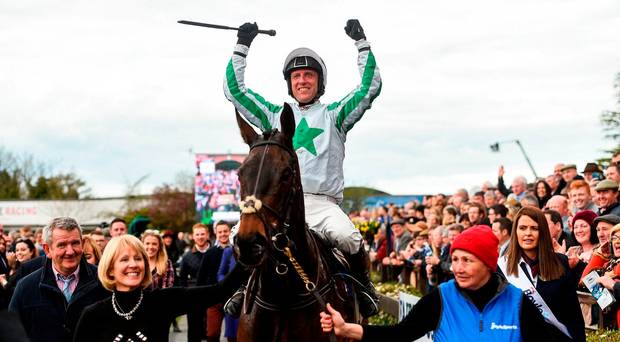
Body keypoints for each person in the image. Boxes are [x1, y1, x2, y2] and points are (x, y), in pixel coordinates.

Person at [223, 18, 382, 317]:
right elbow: (235, 91)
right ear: (289, 83)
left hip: (321, 204)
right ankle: (244, 286)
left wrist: (362, 44)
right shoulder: (272, 114)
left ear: (320, 81)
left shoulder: (336, 114)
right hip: (277, 206)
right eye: (296, 76)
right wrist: (242, 47)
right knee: (238, 236)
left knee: (348, 237)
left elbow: (370, 87)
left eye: (309, 75)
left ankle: (363, 286)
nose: (302, 81)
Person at [319, 226, 552, 341]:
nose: (458, 268)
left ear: (488, 264)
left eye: (467, 261)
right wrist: (346, 329)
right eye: (455, 259)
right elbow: (401, 334)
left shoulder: (517, 302)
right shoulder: (442, 297)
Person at [72, 234, 247, 342]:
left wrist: (248, 255)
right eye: (124, 259)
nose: (133, 264)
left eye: (139, 258)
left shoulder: (163, 301)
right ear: (110, 269)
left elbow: (220, 291)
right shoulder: (93, 315)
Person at [9, 217, 108, 342]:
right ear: (47, 249)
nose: (70, 251)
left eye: (75, 243)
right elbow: (13, 335)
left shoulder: (103, 281)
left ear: (82, 244)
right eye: (62, 245)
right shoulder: (26, 287)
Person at [498, 206, 585, 341]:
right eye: (522, 228)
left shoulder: (560, 262)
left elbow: (572, 314)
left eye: (534, 228)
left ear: (543, 231)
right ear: (515, 231)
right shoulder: (502, 267)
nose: (528, 233)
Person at [197, 221, 231, 342]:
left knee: (233, 336)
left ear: (230, 232)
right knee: (212, 334)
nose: (223, 234)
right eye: (220, 232)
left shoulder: (237, 251)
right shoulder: (210, 253)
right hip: (214, 299)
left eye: (225, 231)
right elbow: (201, 277)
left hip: (233, 299)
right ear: (216, 233)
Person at [179, 223, 211, 342]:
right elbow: (182, 277)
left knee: (211, 331)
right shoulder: (187, 256)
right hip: (194, 296)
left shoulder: (214, 252)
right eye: (197, 234)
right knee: (194, 331)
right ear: (193, 236)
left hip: (212, 294)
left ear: (207, 235)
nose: (200, 237)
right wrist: (185, 294)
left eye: (202, 234)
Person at [594, 223, 620, 328]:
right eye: (614, 238)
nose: (617, 241)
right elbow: (584, 281)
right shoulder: (609, 265)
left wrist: (613, 285)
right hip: (610, 326)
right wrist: (599, 255)